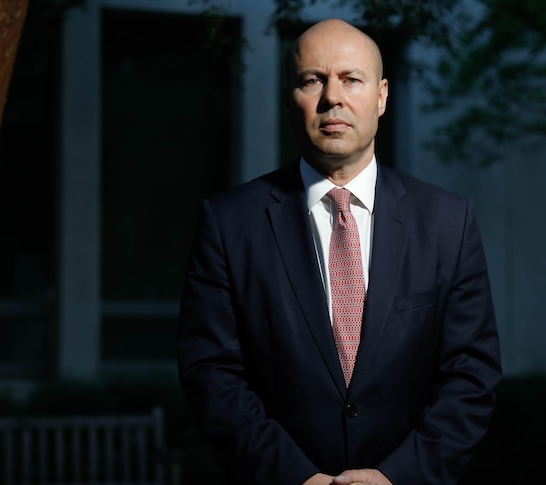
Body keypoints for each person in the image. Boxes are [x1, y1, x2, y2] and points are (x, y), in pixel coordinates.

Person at [176, 18, 501, 485]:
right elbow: (211, 373)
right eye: (313, 80)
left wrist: (398, 477)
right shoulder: (228, 224)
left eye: (351, 79)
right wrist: (295, 477)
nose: (333, 97)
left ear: (382, 96)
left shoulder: (448, 223)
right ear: (290, 97)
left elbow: (472, 374)